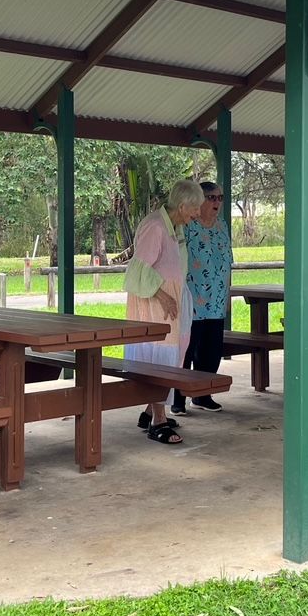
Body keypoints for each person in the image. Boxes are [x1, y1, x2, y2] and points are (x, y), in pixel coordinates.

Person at [124, 180, 204, 444]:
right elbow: (138, 271)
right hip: (154, 305)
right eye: (195, 209)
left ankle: (150, 411)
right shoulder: (155, 227)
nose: (197, 214)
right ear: (182, 206)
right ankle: (158, 420)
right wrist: (164, 295)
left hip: (171, 302)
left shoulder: (175, 228)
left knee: (173, 354)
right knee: (158, 358)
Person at [172, 182, 233, 415]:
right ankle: (178, 397)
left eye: (220, 197)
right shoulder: (188, 225)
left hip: (216, 299)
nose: (216, 202)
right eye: (211, 197)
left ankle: (202, 394)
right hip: (192, 297)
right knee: (187, 348)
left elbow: (228, 260)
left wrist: (227, 291)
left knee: (212, 348)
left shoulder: (222, 225)